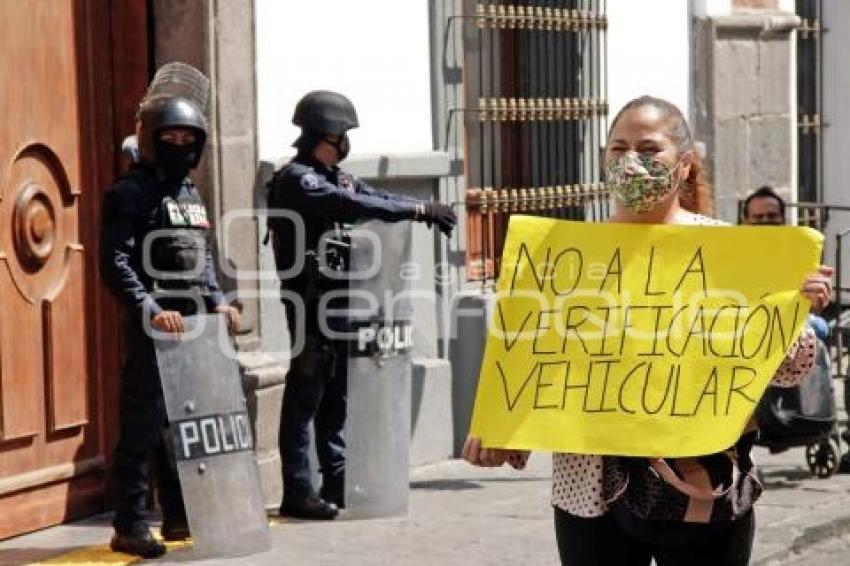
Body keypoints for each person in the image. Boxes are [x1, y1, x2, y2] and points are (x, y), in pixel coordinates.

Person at [463, 95, 833, 565]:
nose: (631, 162)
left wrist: (792, 313)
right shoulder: (565, 255)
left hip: (701, 484)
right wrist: (501, 429)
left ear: (684, 165)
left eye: (648, 148)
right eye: (618, 149)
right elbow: (539, 356)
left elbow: (788, 371)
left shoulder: (730, 252)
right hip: (588, 490)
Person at [267, 90, 457, 520]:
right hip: (309, 300)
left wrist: (418, 208)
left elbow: (375, 198)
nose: (347, 141)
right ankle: (297, 490)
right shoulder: (299, 179)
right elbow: (350, 205)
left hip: (343, 298)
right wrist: (419, 208)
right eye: (344, 133)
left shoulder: (338, 175)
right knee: (307, 391)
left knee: (338, 391)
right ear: (327, 133)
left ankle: (337, 479)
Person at [100, 71, 239, 558]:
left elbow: (201, 256)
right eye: (170, 137)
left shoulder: (189, 194)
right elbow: (115, 262)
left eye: (188, 138)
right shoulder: (129, 194)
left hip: (197, 326)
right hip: (155, 327)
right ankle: (130, 523)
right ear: (151, 139)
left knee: (187, 426)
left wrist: (219, 300)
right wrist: (150, 309)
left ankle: (181, 517)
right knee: (142, 426)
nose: (179, 145)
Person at [741, 185, 830, 340]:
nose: (765, 221)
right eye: (758, 217)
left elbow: (811, 303)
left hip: (788, 329)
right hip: (746, 326)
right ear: (745, 221)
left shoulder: (800, 252)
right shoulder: (732, 254)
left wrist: (817, 298)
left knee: (820, 327)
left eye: (772, 215)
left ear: (783, 220)